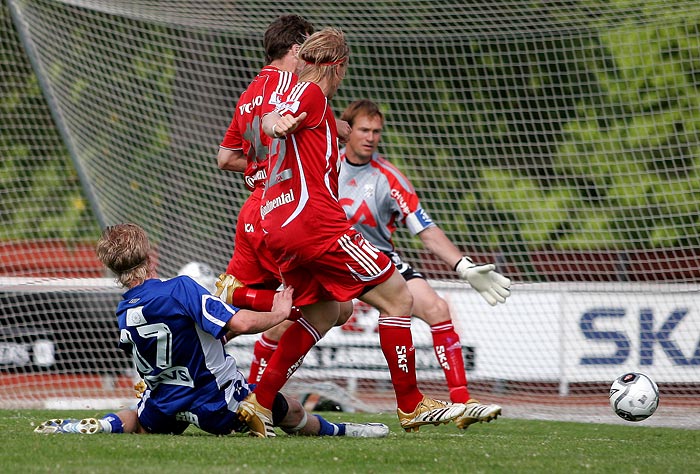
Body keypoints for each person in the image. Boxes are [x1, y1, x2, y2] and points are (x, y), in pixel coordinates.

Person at [238, 27, 465, 438]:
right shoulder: (310, 94)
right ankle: (412, 405)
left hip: (279, 224)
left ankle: (259, 400)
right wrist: (274, 124)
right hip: (315, 223)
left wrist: (323, 127)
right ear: (337, 66)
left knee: (327, 311)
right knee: (398, 296)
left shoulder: (310, 103)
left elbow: (275, 122)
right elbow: (275, 117)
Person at [34, 223, 388, 438]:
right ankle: (350, 430)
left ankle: (94, 425)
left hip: (166, 401)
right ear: (149, 256)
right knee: (289, 410)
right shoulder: (180, 288)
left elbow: (170, 344)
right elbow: (242, 322)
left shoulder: (125, 309)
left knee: (139, 421)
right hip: (213, 400)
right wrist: (280, 310)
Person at [338, 99, 510, 429]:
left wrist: (463, 265)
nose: (371, 137)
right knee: (287, 321)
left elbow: (425, 230)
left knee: (437, 308)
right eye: (364, 129)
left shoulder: (390, 178)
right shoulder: (324, 165)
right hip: (333, 261)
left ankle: (462, 401)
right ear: (347, 129)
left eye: (377, 131)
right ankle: (258, 395)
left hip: (379, 263)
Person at [215, 15, 352, 379]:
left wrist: (262, 168)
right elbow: (285, 122)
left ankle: (186, 357)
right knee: (338, 309)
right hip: (285, 210)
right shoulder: (294, 88)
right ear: (296, 49)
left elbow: (225, 158)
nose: (311, 61)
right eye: (307, 51)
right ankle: (263, 389)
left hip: (253, 211)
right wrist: (332, 126)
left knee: (235, 319)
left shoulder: (248, 93)